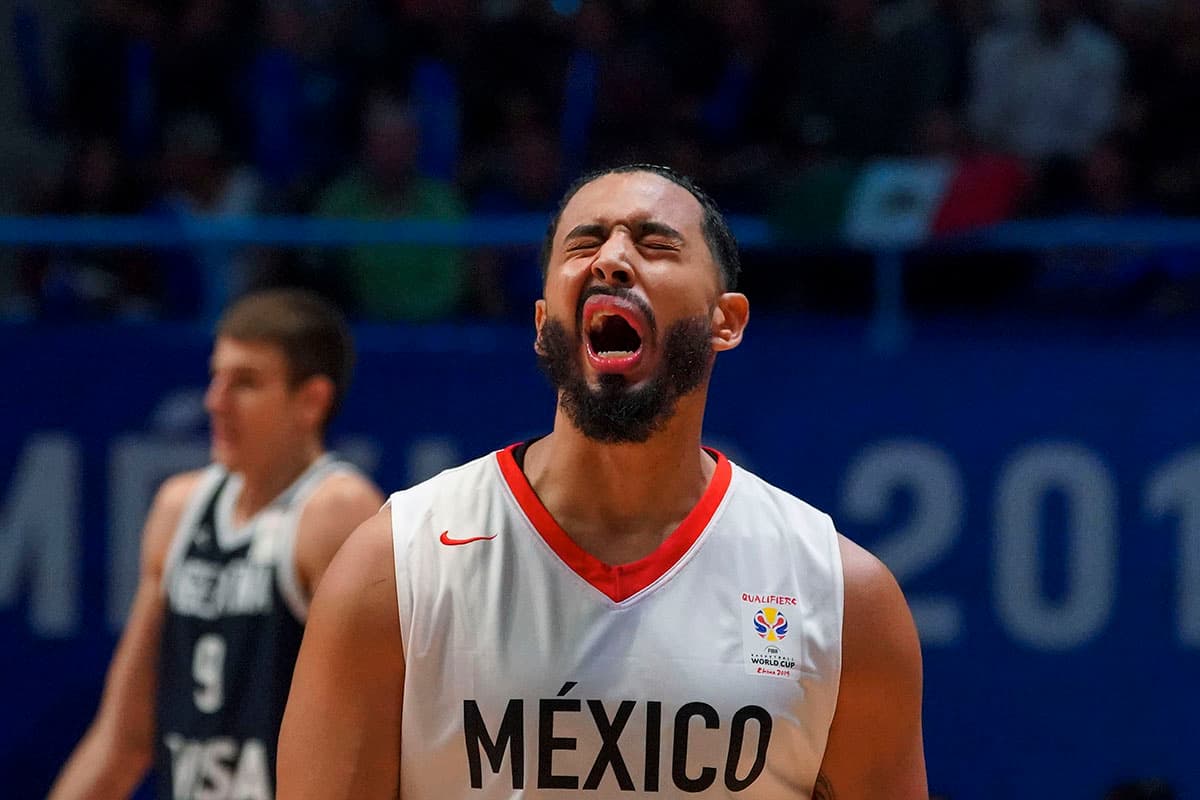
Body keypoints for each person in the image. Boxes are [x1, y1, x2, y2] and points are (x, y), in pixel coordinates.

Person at [277, 165, 927, 798]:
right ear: (541, 325)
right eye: (584, 243)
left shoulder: (840, 594)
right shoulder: (396, 563)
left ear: (725, 320)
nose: (611, 260)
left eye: (655, 244)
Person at [49, 288, 384, 799]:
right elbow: (124, 736)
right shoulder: (179, 509)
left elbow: (378, 740)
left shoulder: (336, 514)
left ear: (311, 400)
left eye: (245, 383)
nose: (215, 401)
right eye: (216, 378)